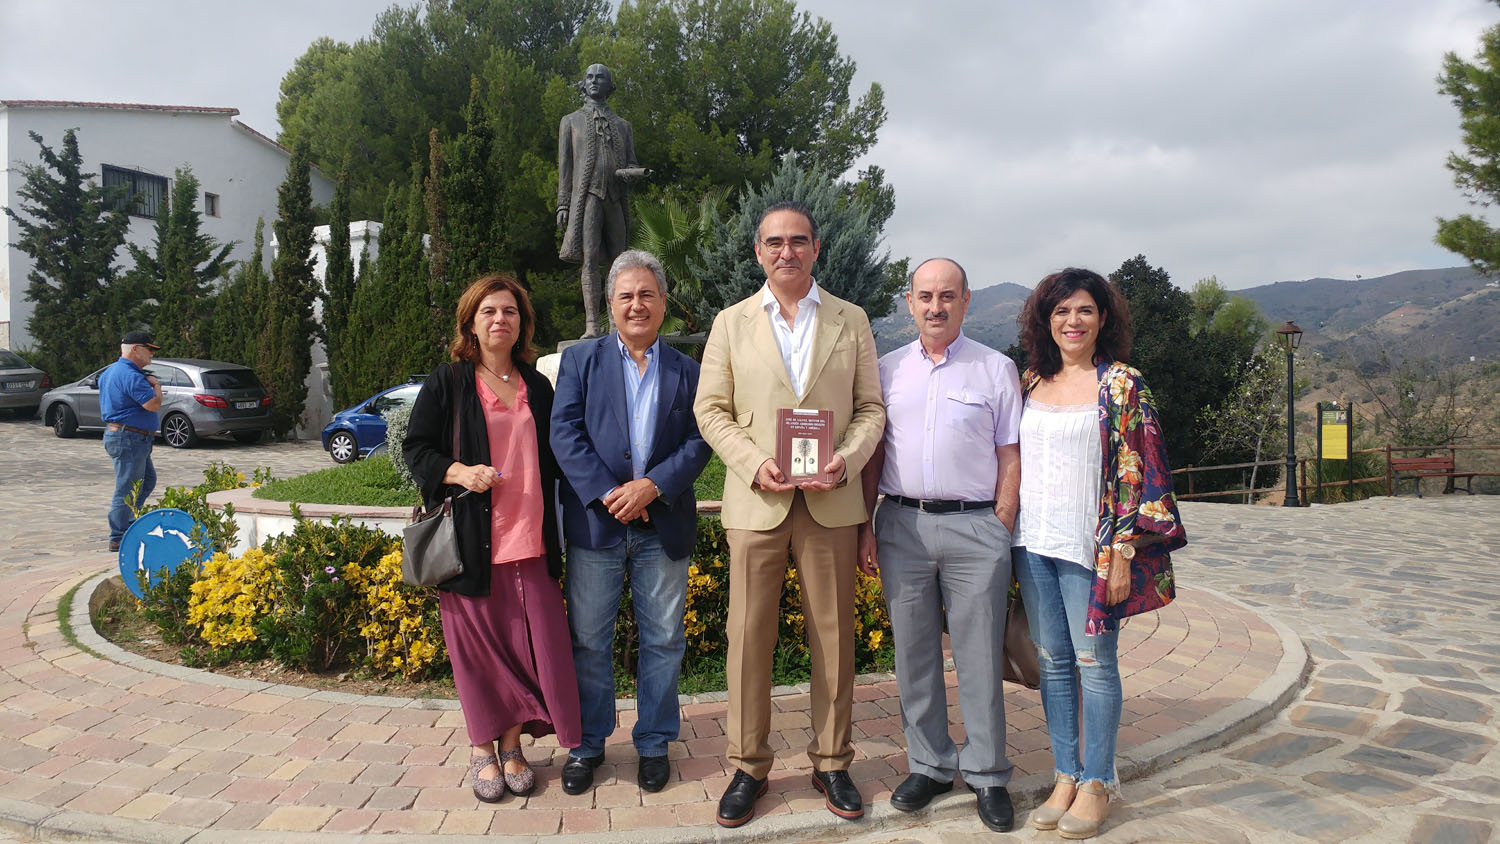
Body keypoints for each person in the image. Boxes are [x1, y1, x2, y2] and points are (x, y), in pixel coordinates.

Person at [693, 201, 886, 827]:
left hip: (830, 499)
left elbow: (871, 410)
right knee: (748, 638)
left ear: (816, 247)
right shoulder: (730, 323)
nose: (786, 251)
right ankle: (748, 765)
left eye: (798, 240)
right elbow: (710, 410)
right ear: (758, 251)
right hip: (758, 500)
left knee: (833, 638)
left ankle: (832, 759)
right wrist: (751, 463)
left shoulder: (851, 320)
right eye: (774, 241)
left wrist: (847, 460)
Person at [1011, 268, 1186, 839]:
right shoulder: (1031, 381)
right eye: (1061, 312)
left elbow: (1146, 470)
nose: (1072, 321)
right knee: (1054, 663)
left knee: (1096, 665)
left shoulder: (1123, 385)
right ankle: (1065, 774)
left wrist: (1125, 550)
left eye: (1084, 310)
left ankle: (1098, 782)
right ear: (1047, 320)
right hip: (1033, 544)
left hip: (1093, 550)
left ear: (1103, 318)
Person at [857, 258, 1021, 832]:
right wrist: (865, 526)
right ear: (909, 302)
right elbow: (874, 454)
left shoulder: (996, 368)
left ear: (966, 301)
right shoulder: (886, 371)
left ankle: (988, 774)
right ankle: (929, 764)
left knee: (979, 656)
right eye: (925, 295)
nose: (935, 306)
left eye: (947, 296)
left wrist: (1001, 522)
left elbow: (1009, 453)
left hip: (976, 527)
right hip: (901, 525)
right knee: (914, 654)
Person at [402, 274, 581, 803]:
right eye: (489, 312)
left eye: (510, 311)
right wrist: (459, 472)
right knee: (477, 653)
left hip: (533, 541)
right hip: (470, 543)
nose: (500, 319)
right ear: (471, 324)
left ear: (522, 323)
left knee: (526, 649)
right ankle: (482, 748)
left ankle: (512, 745)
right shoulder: (450, 382)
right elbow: (416, 448)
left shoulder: (538, 386)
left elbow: (562, 454)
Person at [550, 250, 712, 795]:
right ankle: (588, 743)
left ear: (663, 303)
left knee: (664, 639)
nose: (637, 304)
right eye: (626, 295)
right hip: (598, 526)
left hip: (661, 524)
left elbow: (699, 441)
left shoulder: (690, 370)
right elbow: (564, 434)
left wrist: (653, 485)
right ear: (610, 303)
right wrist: (610, 492)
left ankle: (653, 742)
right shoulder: (580, 360)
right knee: (589, 639)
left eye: (647, 294)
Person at [556, 63, 645, 339]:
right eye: (590, 78)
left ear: (610, 86)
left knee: (619, 263)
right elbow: (566, 169)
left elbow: (631, 161)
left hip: (615, 197)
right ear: (583, 84)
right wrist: (563, 204)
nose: (595, 81)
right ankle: (592, 324)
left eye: (601, 78)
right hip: (589, 197)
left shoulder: (623, 126)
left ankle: (616, 323)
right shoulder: (570, 121)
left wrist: (632, 173)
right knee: (589, 259)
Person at [101, 330, 163, 552]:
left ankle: (128, 523)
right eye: (149, 349)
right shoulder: (132, 375)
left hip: (128, 436)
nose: (152, 355)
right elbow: (153, 404)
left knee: (146, 481)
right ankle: (118, 536)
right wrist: (156, 386)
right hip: (129, 437)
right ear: (135, 349)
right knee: (126, 488)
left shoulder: (111, 371)